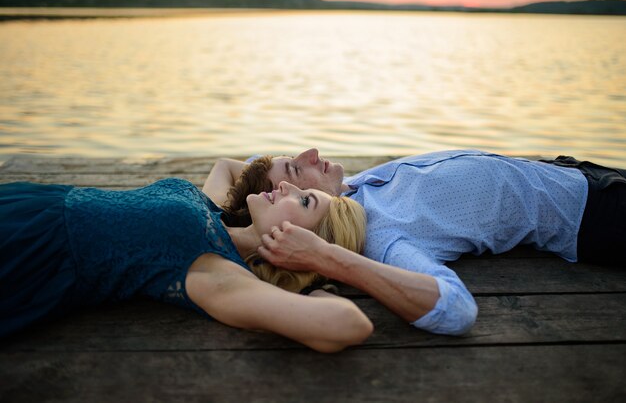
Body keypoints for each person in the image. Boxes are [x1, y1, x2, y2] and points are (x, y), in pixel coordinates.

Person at [208, 149, 626, 336]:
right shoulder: (386, 237)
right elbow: (456, 310)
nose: (312, 153)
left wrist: (238, 216)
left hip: (575, 173)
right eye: (296, 175)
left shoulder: (346, 192)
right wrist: (326, 257)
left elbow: (232, 167)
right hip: (595, 215)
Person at [0, 177, 372, 353]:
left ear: (307, 241)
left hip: (32, 249)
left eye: (306, 202)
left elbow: (349, 324)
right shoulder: (216, 214)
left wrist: (321, 262)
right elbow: (227, 167)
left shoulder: (215, 271)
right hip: (32, 206)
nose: (288, 184)